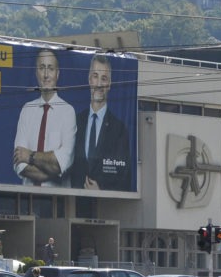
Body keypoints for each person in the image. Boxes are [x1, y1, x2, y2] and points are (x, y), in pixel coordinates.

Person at [67, 54, 133, 190]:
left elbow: (125, 176)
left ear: (109, 84)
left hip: (106, 205)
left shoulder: (119, 129)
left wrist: (101, 189)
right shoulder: (75, 121)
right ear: (89, 79)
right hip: (72, 202)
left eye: (104, 79)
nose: (98, 84)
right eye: (95, 76)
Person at [12, 49, 76, 187]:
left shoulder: (68, 112)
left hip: (57, 201)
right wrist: (49, 163)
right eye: (42, 68)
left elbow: (61, 165)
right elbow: (19, 163)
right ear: (36, 73)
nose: (46, 75)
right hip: (27, 199)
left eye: (50, 69)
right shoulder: (27, 110)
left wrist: (30, 156)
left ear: (57, 74)